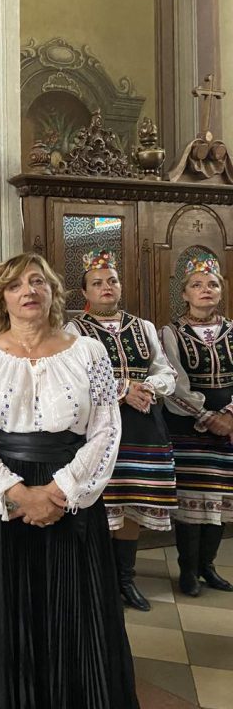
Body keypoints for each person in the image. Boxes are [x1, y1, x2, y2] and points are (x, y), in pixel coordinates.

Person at [0, 252, 136, 709]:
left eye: (37, 281)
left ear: (53, 292)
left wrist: (60, 491)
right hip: (2, 498)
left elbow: (106, 429)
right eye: (15, 285)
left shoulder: (89, 351)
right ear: (1, 297)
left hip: (71, 493)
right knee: (2, 611)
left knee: (76, 610)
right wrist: (14, 493)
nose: (28, 291)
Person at [65, 249, 178, 611]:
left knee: (131, 503)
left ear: (120, 285)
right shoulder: (74, 330)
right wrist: (122, 390)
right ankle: (99, 584)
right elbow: (73, 381)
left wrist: (149, 387)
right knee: (102, 503)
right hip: (98, 428)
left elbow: (166, 371)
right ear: (85, 291)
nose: (107, 287)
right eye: (97, 282)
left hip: (142, 428)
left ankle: (125, 580)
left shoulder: (143, 327)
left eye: (112, 280)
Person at [160, 252, 233, 597]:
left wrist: (229, 415)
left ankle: (208, 566)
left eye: (213, 284)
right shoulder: (171, 333)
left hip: (229, 428)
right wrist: (206, 416)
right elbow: (173, 382)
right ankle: (188, 570)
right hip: (187, 428)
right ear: (184, 293)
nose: (206, 290)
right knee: (191, 501)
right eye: (197, 284)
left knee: (220, 500)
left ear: (221, 290)